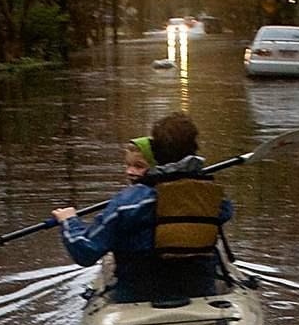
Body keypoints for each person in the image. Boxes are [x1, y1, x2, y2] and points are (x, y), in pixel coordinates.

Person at [52, 112, 233, 302]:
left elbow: (85, 252)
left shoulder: (129, 203)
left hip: (137, 296)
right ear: (195, 148)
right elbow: (220, 213)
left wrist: (69, 221)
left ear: (155, 153)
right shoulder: (217, 200)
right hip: (199, 294)